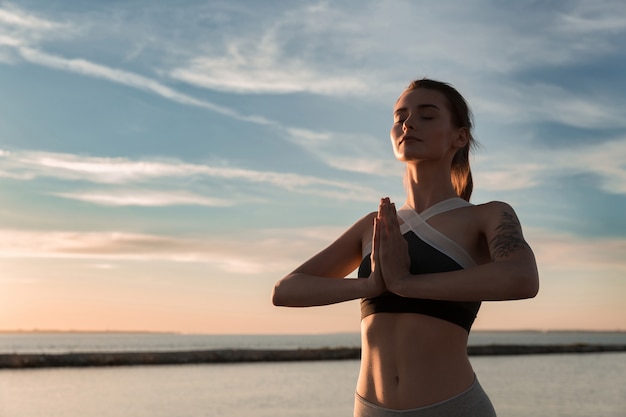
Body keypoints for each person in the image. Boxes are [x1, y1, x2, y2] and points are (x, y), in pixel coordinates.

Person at [272, 78, 539, 417]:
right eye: (400, 117)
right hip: (370, 409)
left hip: (452, 408)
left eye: (427, 116)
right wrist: (370, 285)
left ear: (460, 136)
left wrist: (406, 284)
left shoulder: (487, 216)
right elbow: (285, 290)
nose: (408, 123)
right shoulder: (375, 224)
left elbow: (521, 278)